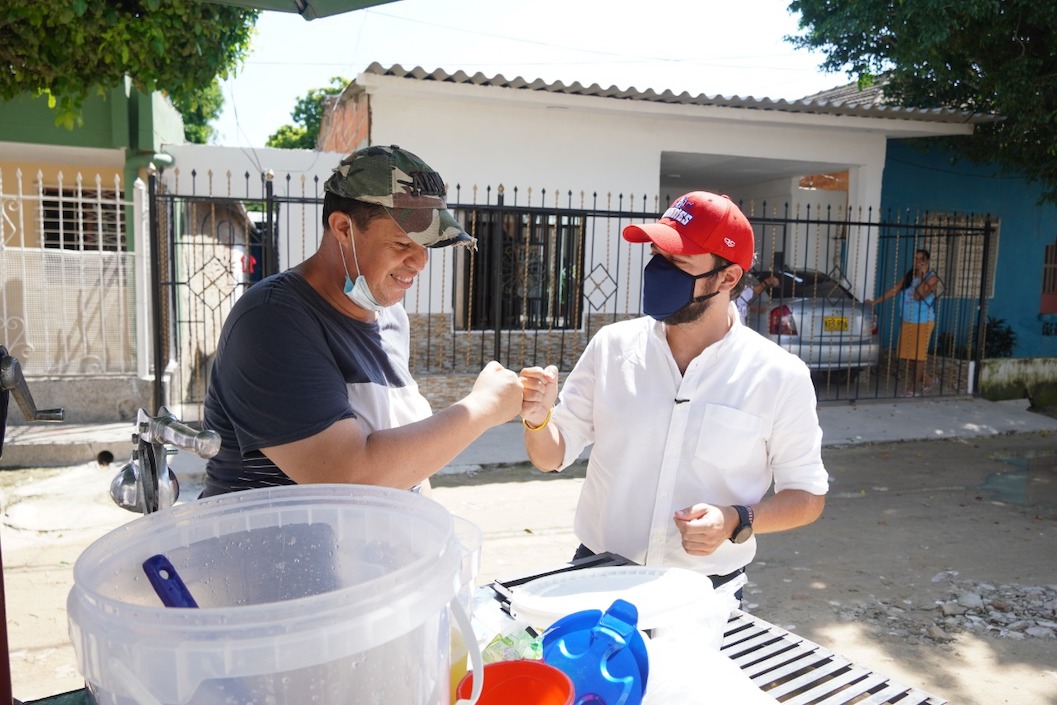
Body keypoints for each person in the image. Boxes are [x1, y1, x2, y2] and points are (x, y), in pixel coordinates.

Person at [519, 191, 828, 595]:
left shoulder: (779, 376)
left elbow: (806, 496)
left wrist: (737, 520)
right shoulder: (613, 346)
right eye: (657, 257)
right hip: (596, 574)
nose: (660, 272)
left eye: (679, 262)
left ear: (728, 277)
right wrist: (537, 418)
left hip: (704, 593)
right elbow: (551, 456)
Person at [201, 145, 524, 497]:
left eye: (427, 245)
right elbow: (349, 477)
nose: (419, 262)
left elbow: (405, 464)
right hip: (279, 549)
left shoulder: (392, 317)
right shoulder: (271, 321)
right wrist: (481, 409)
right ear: (342, 228)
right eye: (403, 242)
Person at [866, 249, 940, 397]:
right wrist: (875, 302)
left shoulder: (932, 278)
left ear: (926, 261)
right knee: (906, 354)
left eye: (921, 259)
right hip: (907, 321)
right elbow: (894, 290)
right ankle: (928, 380)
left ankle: (912, 388)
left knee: (918, 356)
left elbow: (919, 296)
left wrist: (923, 275)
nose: (918, 262)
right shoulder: (909, 276)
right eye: (916, 258)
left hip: (923, 322)